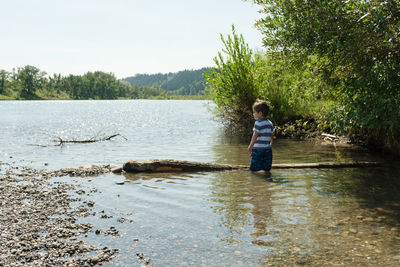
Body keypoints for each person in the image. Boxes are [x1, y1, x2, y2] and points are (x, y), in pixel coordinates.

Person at [248, 100, 274, 172]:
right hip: (267, 150)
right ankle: (267, 180)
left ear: (260, 113)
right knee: (266, 168)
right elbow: (272, 135)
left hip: (258, 150)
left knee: (254, 169)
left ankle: (254, 180)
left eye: (254, 112)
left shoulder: (258, 123)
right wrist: (271, 144)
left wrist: (250, 146)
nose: (253, 114)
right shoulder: (270, 123)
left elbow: (255, 136)